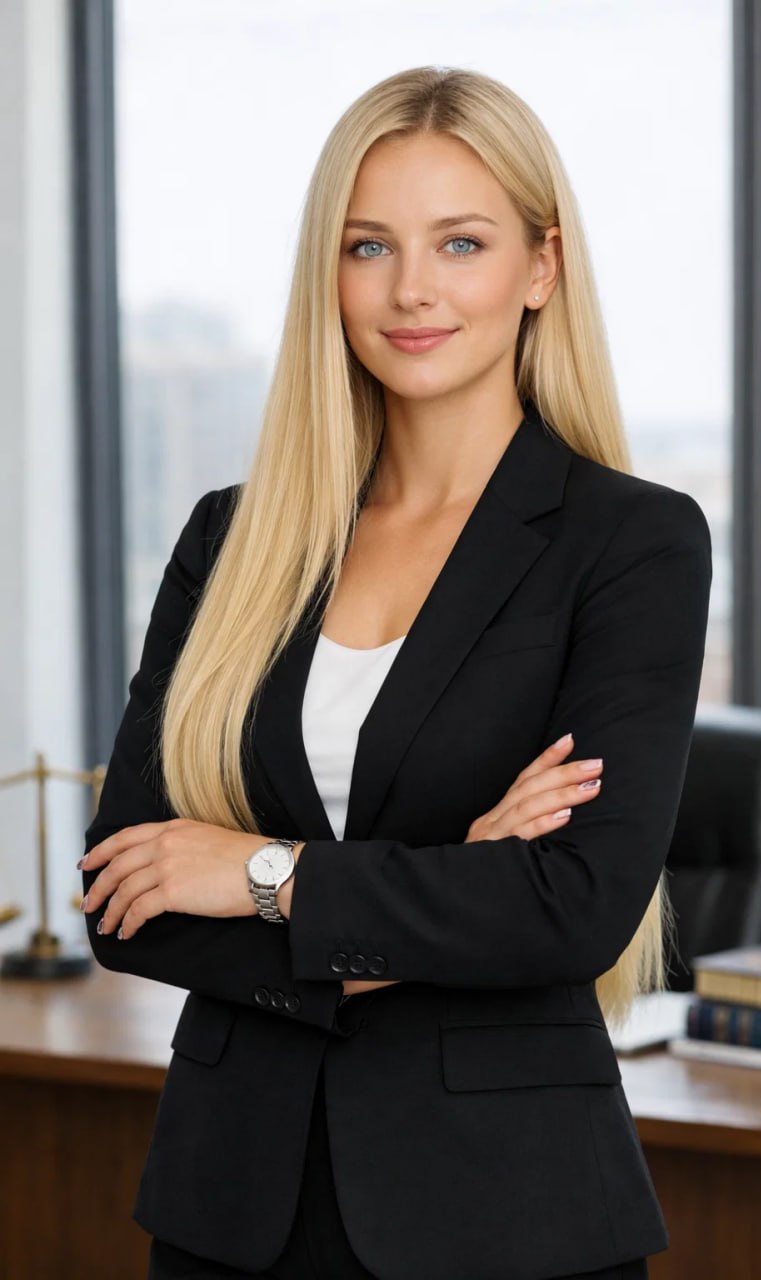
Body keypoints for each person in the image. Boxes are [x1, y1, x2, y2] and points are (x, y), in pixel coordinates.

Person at [79, 65, 711, 1280]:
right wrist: (443, 896)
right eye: (370, 245)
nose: (411, 289)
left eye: (459, 242)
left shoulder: (629, 541)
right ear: (330, 271)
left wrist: (261, 875)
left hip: (507, 1214)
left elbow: (574, 905)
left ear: (539, 267)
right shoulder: (234, 534)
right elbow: (128, 893)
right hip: (230, 1210)